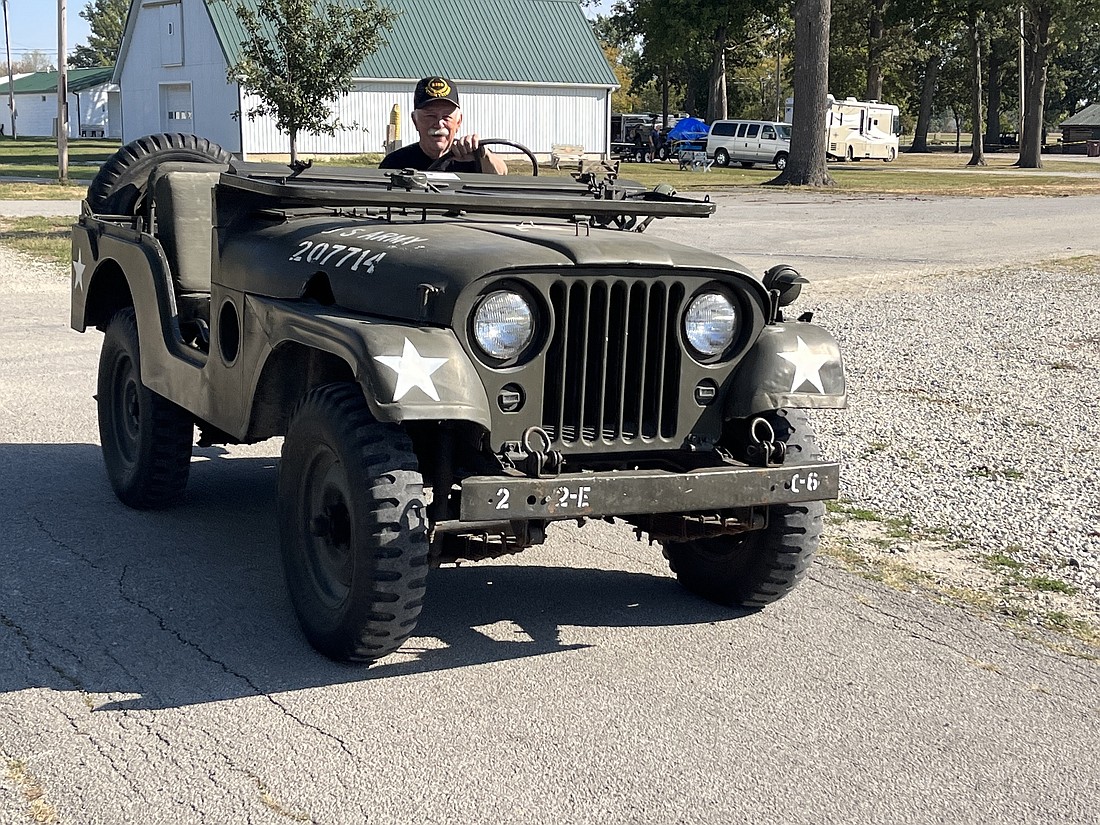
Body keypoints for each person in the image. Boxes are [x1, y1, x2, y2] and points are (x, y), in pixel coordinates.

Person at [380, 76, 507, 174]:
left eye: (447, 117)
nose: (439, 123)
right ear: (415, 121)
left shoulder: (475, 157)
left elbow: (501, 175)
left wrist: (483, 155)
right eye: (430, 116)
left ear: (459, 122)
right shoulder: (395, 163)